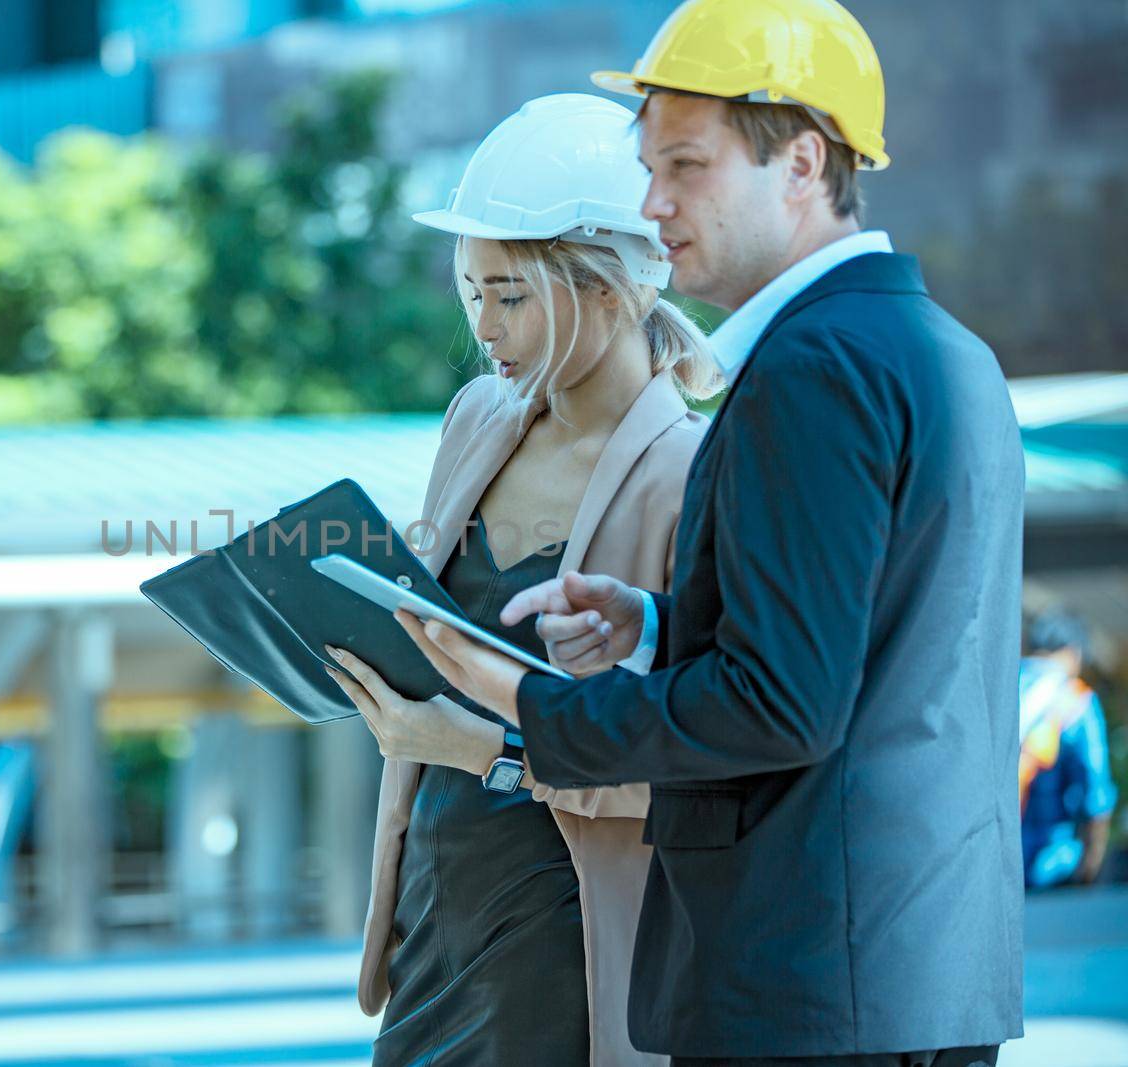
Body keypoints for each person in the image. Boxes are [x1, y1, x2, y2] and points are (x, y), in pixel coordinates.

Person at [384, 1, 1026, 1065]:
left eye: (685, 166)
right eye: (648, 167)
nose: (652, 203)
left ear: (803, 163)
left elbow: (780, 704)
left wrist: (522, 701)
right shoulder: (944, 349)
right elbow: (873, 653)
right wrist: (655, 621)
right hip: (917, 975)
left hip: (804, 983)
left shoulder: (809, 371)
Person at [321, 93, 721, 1065]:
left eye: (509, 295)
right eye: (470, 293)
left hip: (568, 935)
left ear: (608, 289)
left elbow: (704, 758)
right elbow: (436, 636)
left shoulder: (692, 468)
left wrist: (487, 751)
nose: (483, 327)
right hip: (434, 912)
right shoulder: (475, 417)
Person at [1019, 609, 1117, 889]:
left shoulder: (1001, 690)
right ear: (1073, 653)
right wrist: (1091, 866)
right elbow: (1096, 796)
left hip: (991, 862)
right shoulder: (1075, 701)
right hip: (1053, 864)